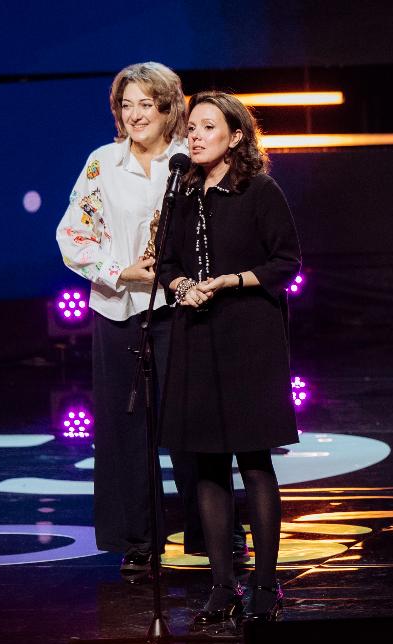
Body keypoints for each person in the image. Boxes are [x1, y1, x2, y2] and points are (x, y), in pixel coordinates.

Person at [56, 62, 246, 581]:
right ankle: (137, 539)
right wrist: (120, 271)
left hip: (179, 307)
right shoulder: (103, 162)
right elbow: (72, 234)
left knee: (191, 423)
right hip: (118, 309)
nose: (135, 114)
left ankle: (214, 531)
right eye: (126, 104)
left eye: (147, 104)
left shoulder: (189, 159)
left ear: (168, 109)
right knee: (124, 428)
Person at [159, 91, 301, 625]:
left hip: (249, 336)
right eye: (191, 127)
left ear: (235, 136)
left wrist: (230, 281)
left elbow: (286, 261)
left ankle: (265, 583)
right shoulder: (181, 191)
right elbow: (167, 261)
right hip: (196, 334)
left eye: (207, 127)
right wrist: (181, 286)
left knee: (254, 461)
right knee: (207, 464)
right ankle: (223, 584)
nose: (194, 136)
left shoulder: (259, 189)